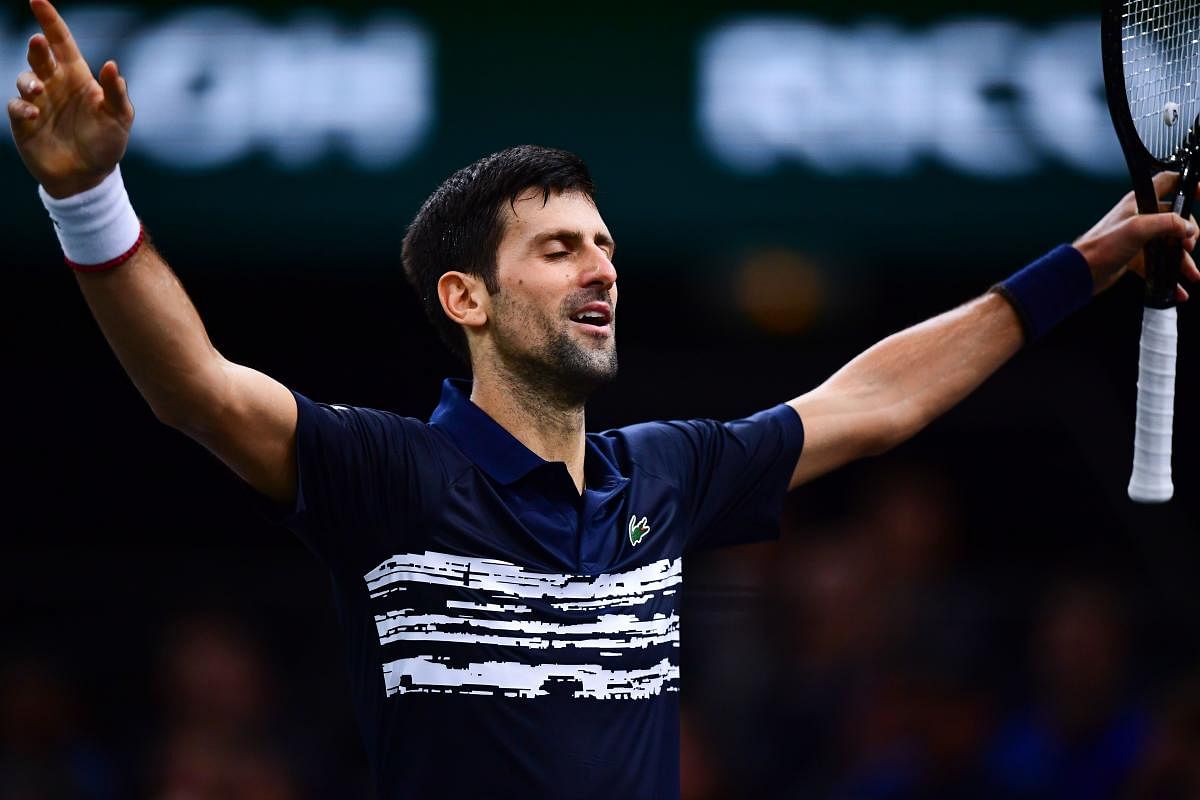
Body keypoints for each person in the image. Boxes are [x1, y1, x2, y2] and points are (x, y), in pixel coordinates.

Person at [8, 1, 1199, 797]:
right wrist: (89, 201)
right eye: (563, 247)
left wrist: (1087, 258)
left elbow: (876, 398)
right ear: (467, 298)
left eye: (608, 244)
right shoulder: (388, 474)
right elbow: (199, 391)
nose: (604, 268)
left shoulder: (664, 474)